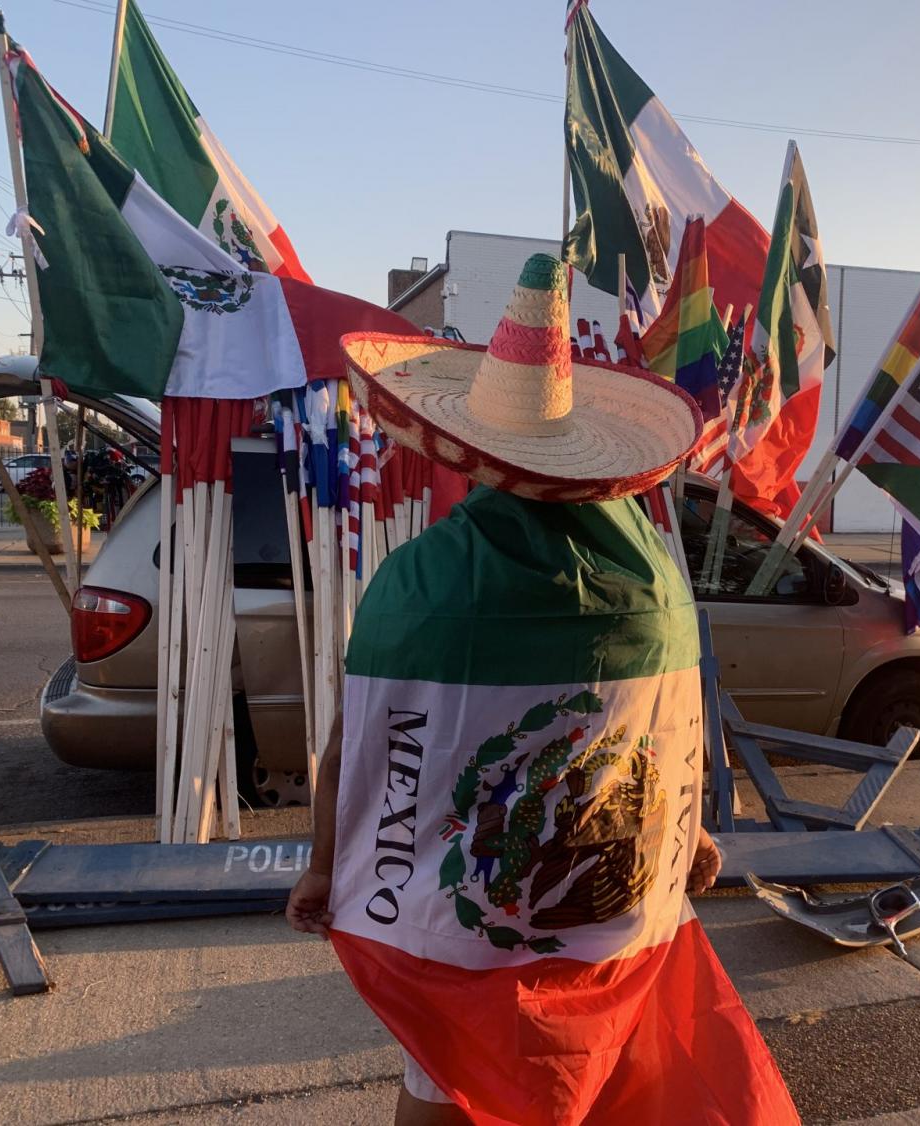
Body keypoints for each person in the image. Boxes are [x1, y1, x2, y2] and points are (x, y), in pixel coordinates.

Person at [288, 255, 796, 1125]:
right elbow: (666, 727)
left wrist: (325, 868)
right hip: (614, 908)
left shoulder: (423, 583)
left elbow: (359, 746)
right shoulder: (650, 578)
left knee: (450, 1072)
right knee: (602, 1064)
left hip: (460, 925)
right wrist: (693, 833)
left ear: (470, 450)